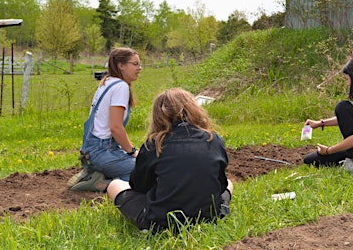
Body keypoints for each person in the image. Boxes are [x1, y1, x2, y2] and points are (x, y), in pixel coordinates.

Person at [107, 87, 233, 233]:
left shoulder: (154, 143)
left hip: (162, 221)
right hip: (210, 216)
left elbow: (139, 186)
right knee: (230, 184)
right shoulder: (214, 139)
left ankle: (149, 222)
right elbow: (221, 183)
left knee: (114, 185)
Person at [69, 47, 142, 191]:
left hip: (90, 151)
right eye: (135, 64)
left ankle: (95, 173)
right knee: (143, 171)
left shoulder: (107, 82)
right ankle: (103, 184)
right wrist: (132, 151)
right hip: (102, 151)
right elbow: (115, 127)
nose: (140, 68)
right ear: (121, 66)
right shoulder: (121, 87)